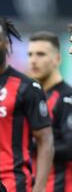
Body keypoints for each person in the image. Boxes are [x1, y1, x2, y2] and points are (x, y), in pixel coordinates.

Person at [0, 14, 54, 192]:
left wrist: (39, 188)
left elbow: (45, 140)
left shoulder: (27, 86)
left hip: (14, 185)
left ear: (6, 43)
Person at [28, 31, 72, 192]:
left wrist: (28, 144)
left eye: (41, 54)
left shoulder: (67, 97)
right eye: (30, 54)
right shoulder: (33, 96)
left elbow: (69, 147)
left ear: (57, 59)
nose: (33, 60)